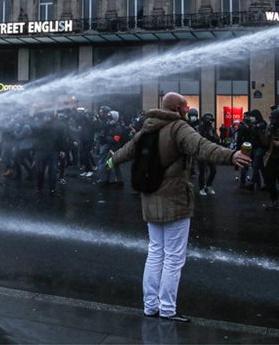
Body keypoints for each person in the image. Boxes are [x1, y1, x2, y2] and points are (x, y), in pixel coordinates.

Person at [107, 92, 251, 322]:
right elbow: (203, 147)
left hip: (150, 198)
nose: (187, 110)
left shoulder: (148, 127)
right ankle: (167, 309)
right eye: (185, 107)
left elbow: (127, 150)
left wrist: (111, 161)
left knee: (155, 253)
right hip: (174, 200)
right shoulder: (178, 128)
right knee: (173, 258)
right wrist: (232, 156)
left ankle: (149, 306)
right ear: (178, 108)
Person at [195, 113, 219, 196]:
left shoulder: (211, 129)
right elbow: (197, 139)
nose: (210, 122)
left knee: (213, 170)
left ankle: (208, 186)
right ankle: (202, 188)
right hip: (201, 151)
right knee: (202, 170)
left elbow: (217, 139)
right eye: (209, 120)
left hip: (210, 151)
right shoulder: (199, 128)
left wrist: (213, 135)